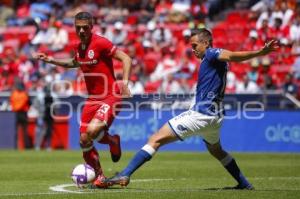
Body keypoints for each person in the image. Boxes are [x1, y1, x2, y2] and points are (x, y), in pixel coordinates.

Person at [105, 28, 279, 190]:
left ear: (206, 43)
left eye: (195, 45)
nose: (193, 49)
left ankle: (125, 174)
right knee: (217, 151)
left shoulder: (212, 53)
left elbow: (233, 55)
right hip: (216, 117)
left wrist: (260, 52)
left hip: (201, 114)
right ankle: (244, 184)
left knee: (155, 139)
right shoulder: (210, 60)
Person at [33, 12, 132, 188]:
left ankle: (110, 142)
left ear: (91, 26)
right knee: (84, 140)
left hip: (111, 95)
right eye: (77, 27)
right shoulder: (79, 47)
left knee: (93, 131)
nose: (81, 30)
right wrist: (51, 60)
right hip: (92, 99)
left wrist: (124, 82)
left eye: (84, 27)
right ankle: (100, 174)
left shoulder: (101, 42)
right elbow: (74, 62)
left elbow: (126, 58)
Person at [10, 80, 32, 149]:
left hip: (16, 113)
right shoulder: (24, 94)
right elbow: (29, 103)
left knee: (15, 131)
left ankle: (15, 146)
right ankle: (26, 146)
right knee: (25, 131)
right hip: (23, 113)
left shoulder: (14, 94)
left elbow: (11, 102)